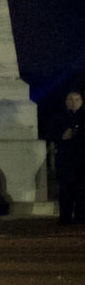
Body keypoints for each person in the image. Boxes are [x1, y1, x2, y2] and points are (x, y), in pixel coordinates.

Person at [54, 90, 83, 225]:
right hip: (66, 159)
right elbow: (50, 134)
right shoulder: (59, 117)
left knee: (82, 190)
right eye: (70, 99)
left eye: (76, 99)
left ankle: (81, 217)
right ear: (66, 102)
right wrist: (61, 136)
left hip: (82, 159)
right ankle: (65, 218)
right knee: (66, 190)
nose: (73, 102)